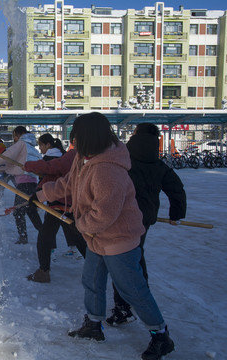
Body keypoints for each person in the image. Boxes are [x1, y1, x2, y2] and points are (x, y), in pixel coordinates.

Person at [30, 112, 175, 360]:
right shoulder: (84, 159)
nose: (73, 142)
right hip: (97, 239)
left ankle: (161, 336)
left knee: (133, 290)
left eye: (77, 137)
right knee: (92, 282)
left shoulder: (108, 169)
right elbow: (69, 184)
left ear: (90, 138)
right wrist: (43, 194)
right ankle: (94, 325)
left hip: (119, 240)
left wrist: (81, 224)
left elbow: (104, 214)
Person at [106, 123, 186, 326]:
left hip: (121, 217)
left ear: (135, 136)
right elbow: (177, 190)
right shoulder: (159, 166)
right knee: (134, 258)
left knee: (124, 263)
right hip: (144, 219)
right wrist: (176, 214)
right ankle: (129, 303)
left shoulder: (124, 160)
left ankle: (125, 307)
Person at [24, 134, 87, 282]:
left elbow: (53, 168)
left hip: (61, 202)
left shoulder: (74, 155)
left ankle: (44, 271)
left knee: (47, 237)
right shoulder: (75, 155)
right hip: (67, 202)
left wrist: (28, 166)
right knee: (75, 235)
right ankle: (95, 266)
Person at [0, 126, 43, 244]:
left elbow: (8, 156)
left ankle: (24, 236)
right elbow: (15, 163)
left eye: (14, 135)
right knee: (31, 210)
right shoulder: (32, 148)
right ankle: (43, 233)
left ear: (19, 134)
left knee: (19, 211)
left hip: (24, 183)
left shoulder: (21, 144)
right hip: (32, 182)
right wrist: (0, 168)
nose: (14, 138)